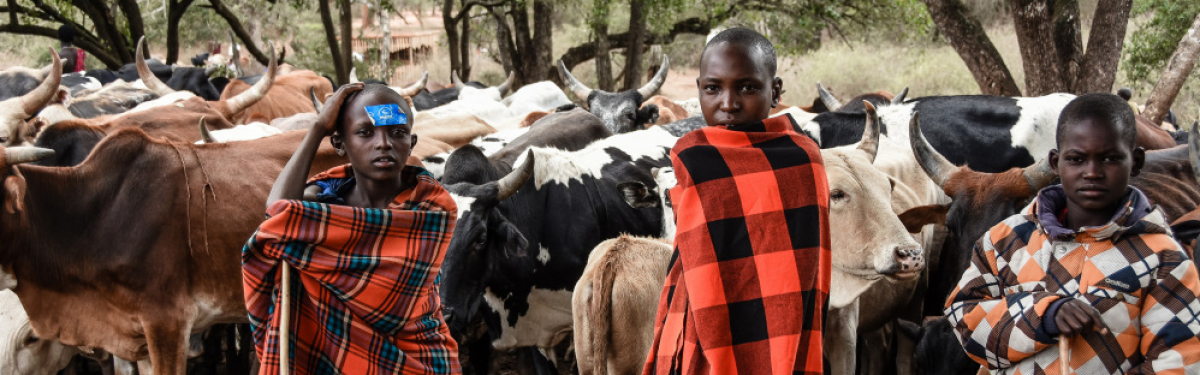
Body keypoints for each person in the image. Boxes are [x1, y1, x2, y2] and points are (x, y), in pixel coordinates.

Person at [945, 93, 1200, 374]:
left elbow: (1181, 362)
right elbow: (963, 317)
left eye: (1110, 158)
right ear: (1055, 163)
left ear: (1136, 162)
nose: (1092, 172)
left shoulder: (1163, 257)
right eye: (1077, 159)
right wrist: (1042, 314)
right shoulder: (1005, 240)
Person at [643, 27, 831, 375]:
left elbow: (807, 268)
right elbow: (694, 261)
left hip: (782, 325)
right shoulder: (696, 160)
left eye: (747, 87)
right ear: (699, 90)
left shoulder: (803, 160)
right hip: (701, 322)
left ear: (774, 91)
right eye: (713, 88)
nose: (728, 104)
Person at [243, 83, 461, 374]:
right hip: (334, 356)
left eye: (397, 133)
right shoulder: (323, 203)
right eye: (364, 132)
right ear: (339, 144)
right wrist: (317, 128)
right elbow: (276, 215)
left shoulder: (432, 209)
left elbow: (394, 310)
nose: (383, 143)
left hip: (420, 357)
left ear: (412, 142)